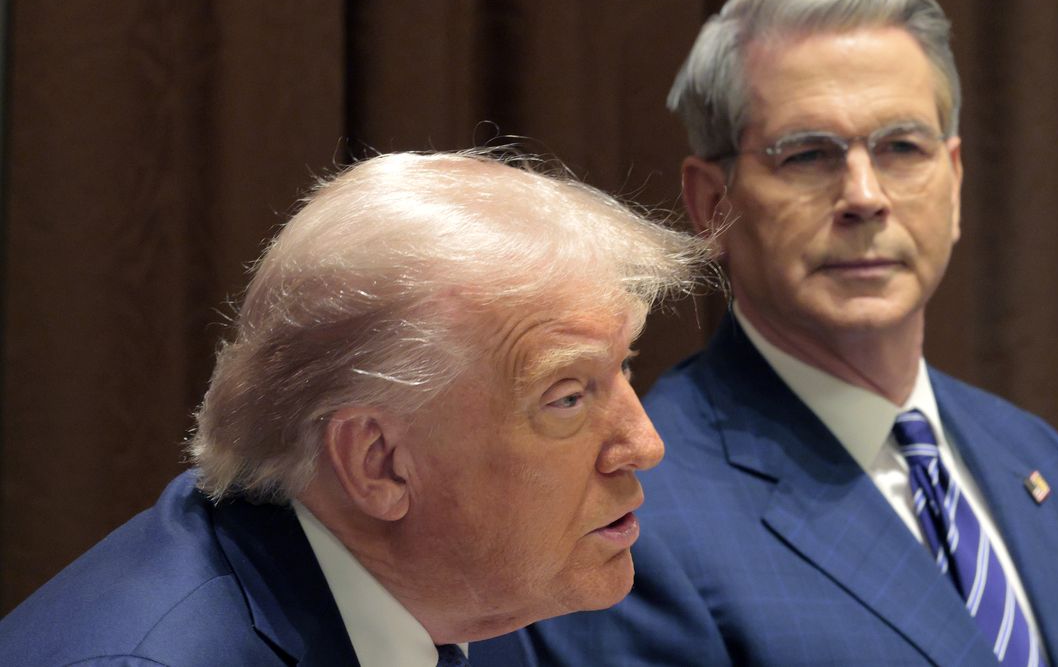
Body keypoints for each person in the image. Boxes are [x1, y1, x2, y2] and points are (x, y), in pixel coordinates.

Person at [480, 0, 1058, 665]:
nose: (864, 196)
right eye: (808, 155)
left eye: (903, 147)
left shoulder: (1036, 454)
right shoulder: (627, 516)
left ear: (956, 179)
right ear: (712, 205)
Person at [0, 150, 708, 666]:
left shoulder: (469, 596)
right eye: (568, 396)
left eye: (623, 368)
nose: (643, 442)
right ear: (379, 464)